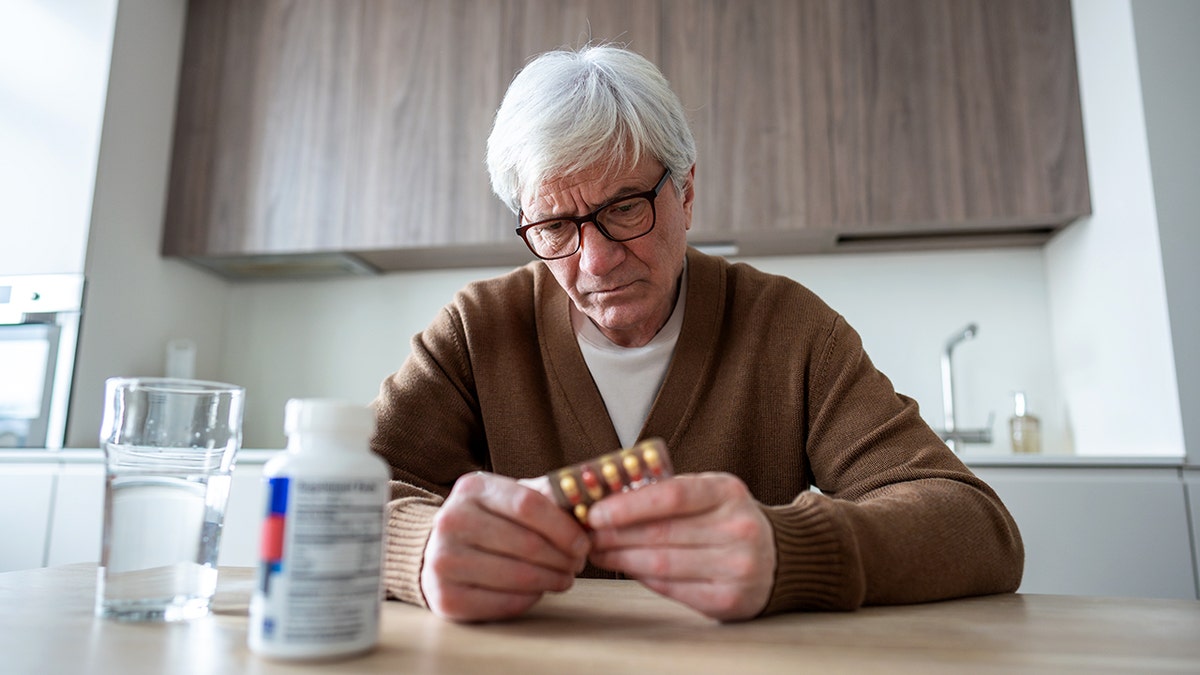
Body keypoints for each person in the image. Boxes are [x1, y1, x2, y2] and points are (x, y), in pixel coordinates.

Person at [370, 44, 1023, 623]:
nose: (595, 261)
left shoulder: (790, 330)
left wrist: (790, 549)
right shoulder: (475, 332)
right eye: (555, 227)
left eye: (625, 207)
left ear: (685, 193)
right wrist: (418, 548)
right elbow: (337, 498)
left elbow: (977, 526)